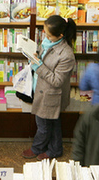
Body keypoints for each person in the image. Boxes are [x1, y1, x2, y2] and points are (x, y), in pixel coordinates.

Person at [22, 15, 77, 161]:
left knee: (44, 126)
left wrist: (38, 65)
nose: (45, 36)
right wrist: (34, 55)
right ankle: (55, 149)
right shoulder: (48, 42)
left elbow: (57, 80)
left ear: (60, 35)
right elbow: (43, 56)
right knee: (53, 123)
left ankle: (37, 148)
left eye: (48, 34)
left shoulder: (66, 55)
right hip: (40, 88)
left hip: (51, 94)